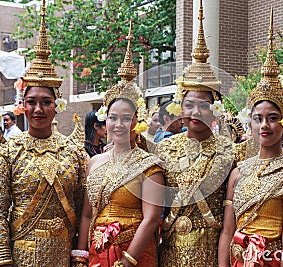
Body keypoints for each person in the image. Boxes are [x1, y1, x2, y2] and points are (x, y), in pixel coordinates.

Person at [0, 3, 87, 266]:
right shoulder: (8, 151)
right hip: (21, 254)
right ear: (23, 105)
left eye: (46, 101)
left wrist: (78, 255)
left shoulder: (74, 151)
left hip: (64, 253)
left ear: (58, 105)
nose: (38, 109)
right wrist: (2, 256)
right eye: (32, 101)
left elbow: (80, 207)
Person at [218, 9, 283, 267]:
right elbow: (227, 231)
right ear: (251, 123)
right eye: (258, 118)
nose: (265, 125)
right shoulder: (239, 171)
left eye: (273, 117)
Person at [73, 22, 165, 267]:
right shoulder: (94, 162)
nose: (118, 124)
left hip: (135, 254)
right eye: (113, 118)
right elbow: (86, 214)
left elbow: (152, 218)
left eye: (127, 118)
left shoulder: (149, 166)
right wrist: (80, 255)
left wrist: (127, 259)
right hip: (97, 252)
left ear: (137, 122)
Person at [156, 2, 236, 266]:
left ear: (215, 109)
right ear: (181, 107)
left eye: (204, 105)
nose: (196, 112)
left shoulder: (230, 150)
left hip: (211, 245)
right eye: (189, 104)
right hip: (171, 244)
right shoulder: (165, 148)